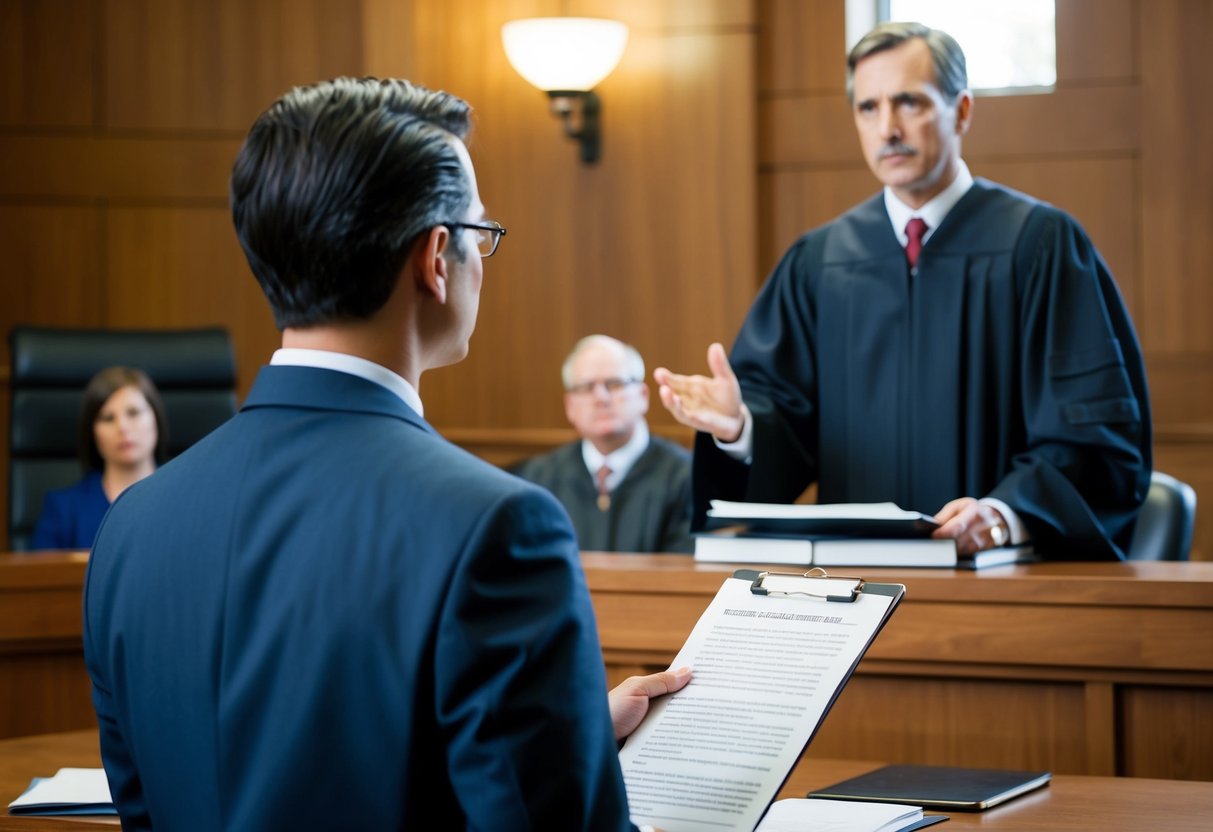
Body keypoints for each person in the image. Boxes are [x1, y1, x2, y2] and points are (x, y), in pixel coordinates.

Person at [82, 78, 688, 831]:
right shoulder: (496, 524)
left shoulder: (132, 523)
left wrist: (572, 738)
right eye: (481, 233)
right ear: (438, 257)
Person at [655, 21, 1151, 561]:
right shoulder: (820, 262)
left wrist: (1007, 515)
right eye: (868, 108)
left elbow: (1095, 437)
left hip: (1002, 583)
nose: (887, 127)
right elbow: (787, 426)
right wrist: (740, 427)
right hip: (852, 587)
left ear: (961, 111)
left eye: (909, 102)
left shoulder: (1040, 246)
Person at [513, 335, 694, 553]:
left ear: (643, 395)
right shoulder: (539, 478)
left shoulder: (686, 477)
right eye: (587, 387)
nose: (601, 397)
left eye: (614, 384)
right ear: (570, 406)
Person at [31, 366, 167, 550]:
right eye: (108, 418)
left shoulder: (187, 498)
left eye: (134, 412)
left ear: (155, 419)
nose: (123, 427)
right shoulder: (63, 510)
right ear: (92, 433)